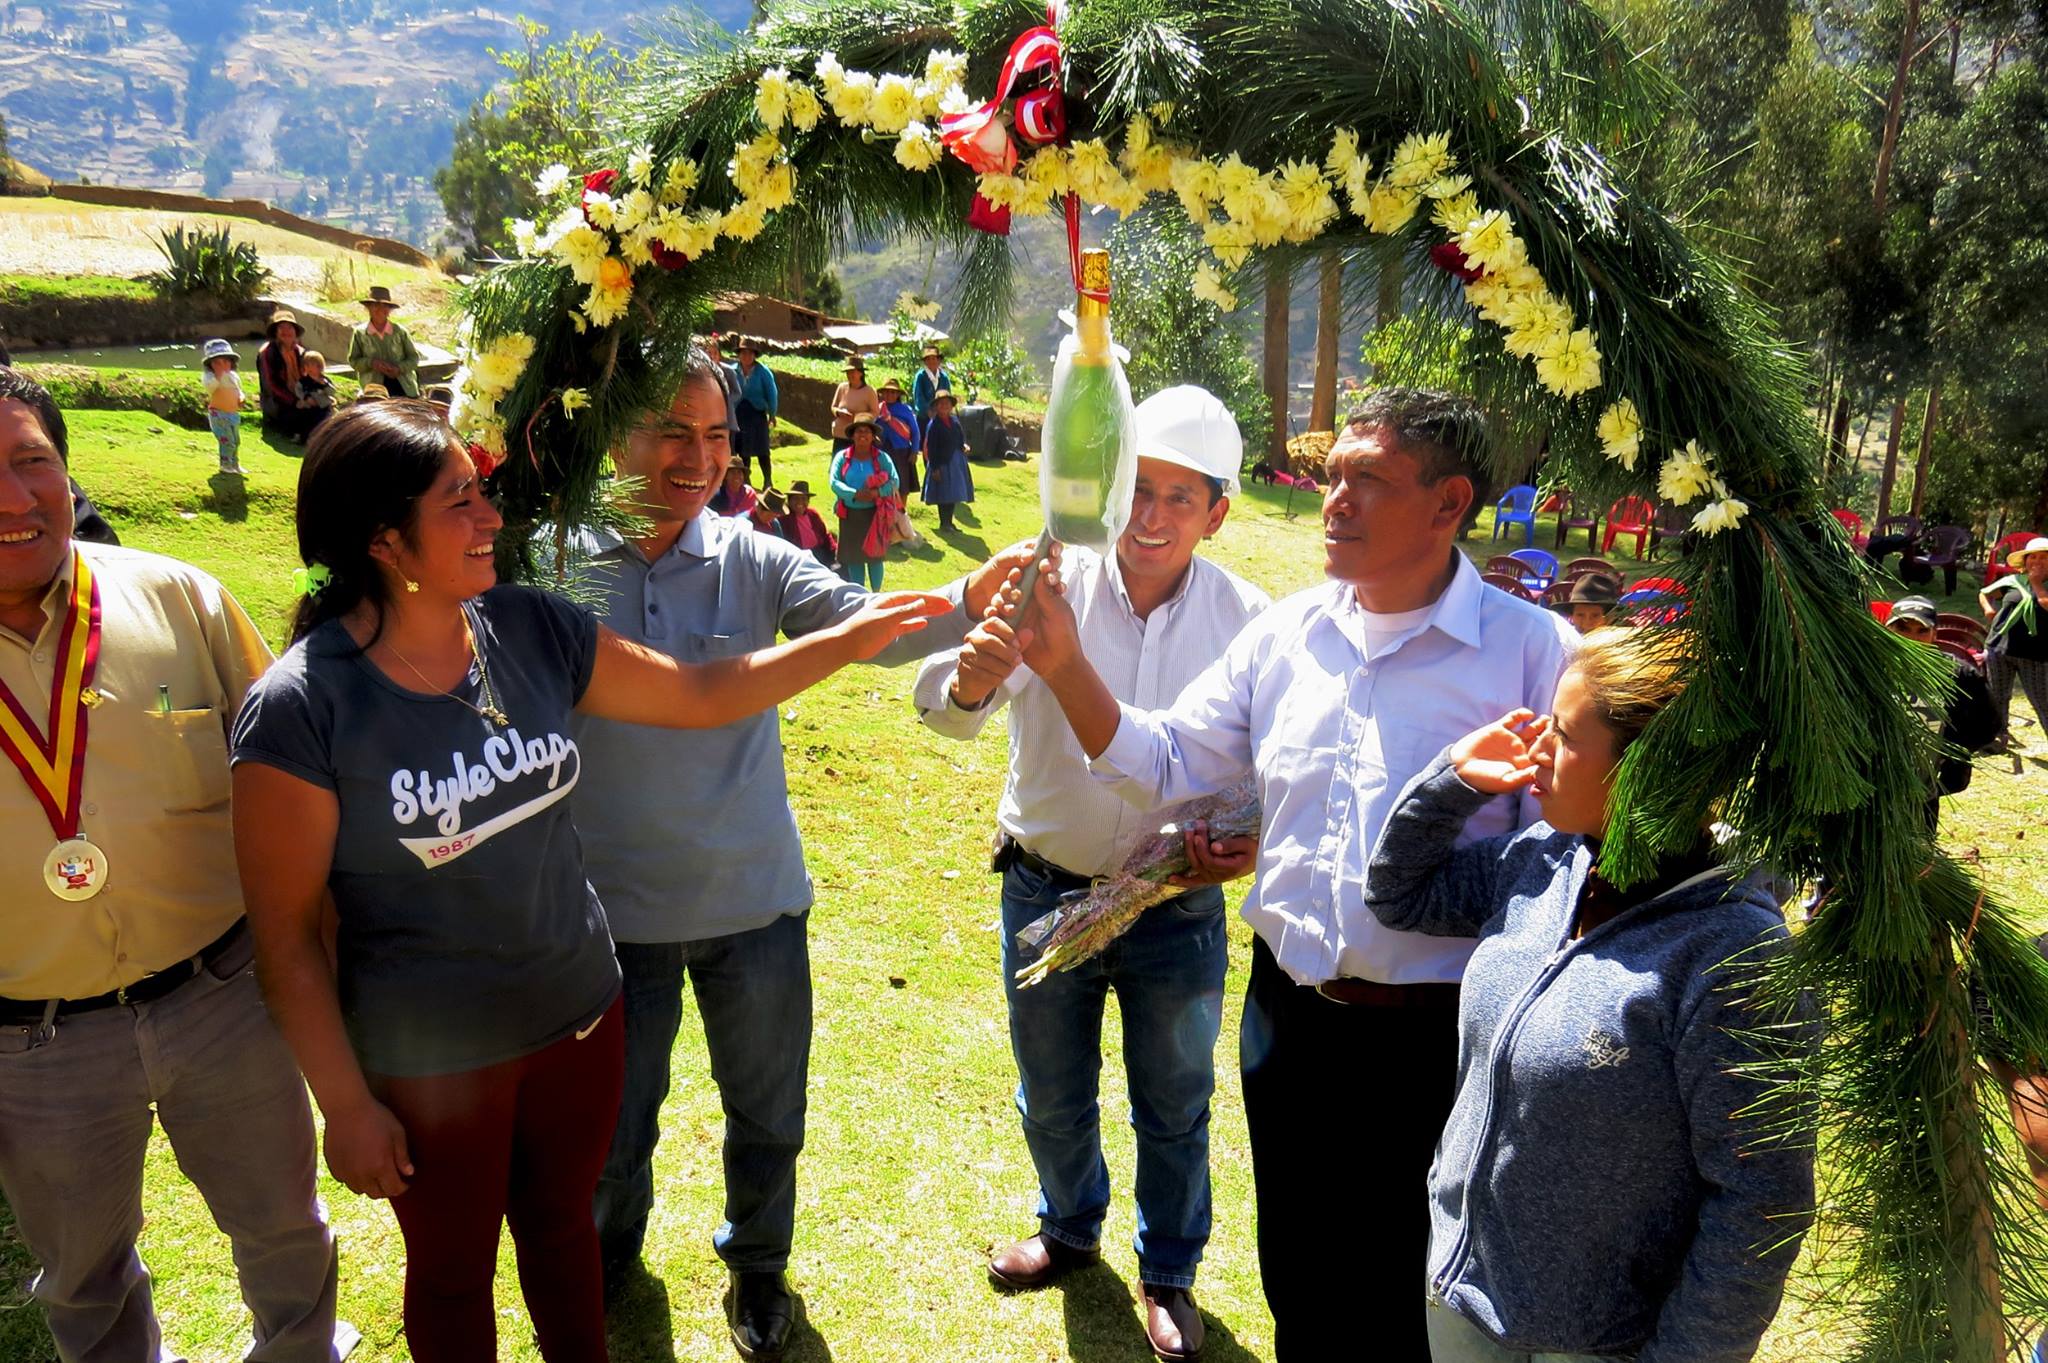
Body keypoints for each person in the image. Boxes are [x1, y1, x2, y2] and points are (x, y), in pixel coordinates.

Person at [229, 399, 949, 1363]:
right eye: (460, 503)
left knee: (565, 1236)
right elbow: (284, 937)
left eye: (482, 493)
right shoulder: (300, 708)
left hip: (579, 1018)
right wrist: (347, 1104)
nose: (490, 519)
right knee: (451, 1272)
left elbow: (695, 693)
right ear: (384, 539)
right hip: (434, 1062)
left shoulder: (527, 627)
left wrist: (846, 640)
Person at [1013, 387, 1576, 1360]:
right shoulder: (1286, 637)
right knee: (1301, 1286)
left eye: (1366, 480)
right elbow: (1166, 760)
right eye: (1329, 477)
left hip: (1433, 1043)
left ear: (1447, 503)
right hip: (1285, 1024)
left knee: (1410, 1301)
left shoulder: (1530, 655)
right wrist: (1064, 664)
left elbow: (1556, 866)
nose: (1333, 502)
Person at [567, 353, 1031, 1362]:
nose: (697, 458)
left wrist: (966, 590)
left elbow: (865, 630)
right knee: (612, 1129)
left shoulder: (754, 556)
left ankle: (759, 1271)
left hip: (752, 902)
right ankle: (605, 1263)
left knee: (767, 1115)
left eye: (717, 435)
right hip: (605, 917)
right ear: (615, 434)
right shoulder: (557, 561)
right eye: (671, 431)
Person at [0, 366, 350, 1363]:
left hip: (223, 997)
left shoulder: (180, 600)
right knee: (81, 1272)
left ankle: (300, 1351)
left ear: (68, 471)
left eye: (34, 463)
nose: (14, 499)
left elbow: (296, 790)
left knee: (283, 1226)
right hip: (33, 1045)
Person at [914, 386, 1270, 1362]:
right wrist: (971, 679)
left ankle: (1168, 1272)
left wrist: (1239, 836)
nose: (1150, 518)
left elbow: (1270, 772)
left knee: (1173, 1102)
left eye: (1178, 498)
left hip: (1174, 908)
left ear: (1218, 513)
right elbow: (943, 708)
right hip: (1046, 887)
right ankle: (1069, 1229)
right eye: (1136, 490)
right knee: (1053, 1090)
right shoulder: (1046, 579)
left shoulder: (1249, 622)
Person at [1363, 627, 1814, 1363]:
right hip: (1461, 1295)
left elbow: (1761, 1202)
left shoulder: (1733, 957)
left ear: (1645, 772)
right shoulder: (1543, 861)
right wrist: (1454, 779)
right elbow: (1399, 892)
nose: (1538, 746)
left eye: (1565, 735)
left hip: (1600, 1343)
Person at [1887, 594, 2000, 830]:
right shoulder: (1870, 667)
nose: (1912, 637)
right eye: (1903, 628)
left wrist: (1952, 753)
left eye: (1921, 630)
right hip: (1873, 784)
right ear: (1888, 628)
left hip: (1923, 790)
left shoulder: (1957, 675)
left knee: (1917, 853)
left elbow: (1989, 723)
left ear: (1934, 635)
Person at [1979, 537, 2048, 750]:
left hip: (2035, 654)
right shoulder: (2013, 581)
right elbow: (1985, 593)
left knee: (2043, 701)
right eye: (2032, 557)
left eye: (2044, 557)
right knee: (1998, 697)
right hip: (1999, 647)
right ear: (2025, 562)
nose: (2037, 561)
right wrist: (1988, 609)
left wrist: (2036, 583)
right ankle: (1998, 738)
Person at [829, 413, 898, 590]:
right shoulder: (842, 458)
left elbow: (894, 481)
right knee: (854, 559)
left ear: (872, 436)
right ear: (852, 435)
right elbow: (834, 482)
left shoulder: (882, 458)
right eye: (859, 431)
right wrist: (854, 494)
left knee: (875, 559)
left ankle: (876, 594)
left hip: (875, 515)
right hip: (850, 515)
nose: (862, 435)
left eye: (867, 431)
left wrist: (878, 492)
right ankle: (859, 594)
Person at [258, 309, 322, 443]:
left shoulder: (301, 352)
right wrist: (295, 401)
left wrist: (315, 396)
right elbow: (271, 386)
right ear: (276, 332)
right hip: (279, 403)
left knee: (323, 409)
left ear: (295, 332)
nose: (286, 331)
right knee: (299, 416)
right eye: (281, 327)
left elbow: (313, 376)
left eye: (290, 327)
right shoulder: (267, 353)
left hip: (301, 397)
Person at [347, 286, 421, 400]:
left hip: (403, 388)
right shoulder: (360, 333)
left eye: (385, 305)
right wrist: (371, 363)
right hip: (374, 391)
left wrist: (399, 368)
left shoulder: (400, 332)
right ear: (369, 308)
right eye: (376, 305)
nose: (380, 309)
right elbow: (353, 361)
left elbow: (414, 358)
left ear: (389, 310)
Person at [920, 385, 974, 532]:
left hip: (955, 463)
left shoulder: (955, 421)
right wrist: (935, 468)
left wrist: (964, 446)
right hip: (941, 463)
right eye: (941, 403)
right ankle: (944, 523)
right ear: (936, 406)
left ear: (951, 406)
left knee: (953, 494)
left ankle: (949, 522)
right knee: (943, 494)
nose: (944, 406)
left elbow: (960, 438)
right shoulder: (934, 425)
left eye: (947, 403)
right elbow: (931, 447)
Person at [733, 341, 779, 488]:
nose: (746, 356)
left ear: (754, 355)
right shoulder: (733, 371)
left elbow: (772, 394)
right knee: (743, 449)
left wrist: (772, 413)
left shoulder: (763, 372)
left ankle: (767, 480)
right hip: (739, 413)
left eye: (750, 353)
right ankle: (746, 480)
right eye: (743, 353)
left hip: (757, 414)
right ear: (739, 355)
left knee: (762, 449)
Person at [200, 337, 246, 474]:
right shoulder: (209, 377)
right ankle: (225, 464)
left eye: (225, 361)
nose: (222, 365)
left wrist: (241, 397)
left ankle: (235, 464)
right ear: (210, 365)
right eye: (217, 363)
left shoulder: (233, 376)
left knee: (236, 440)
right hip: (218, 414)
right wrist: (218, 377)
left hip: (233, 414)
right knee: (227, 441)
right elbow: (210, 388)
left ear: (231, 363)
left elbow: (238, 390)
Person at [876, 375, 921, 499]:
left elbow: (915, 432)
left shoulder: (905, 410)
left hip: (901, 451)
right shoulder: (878, 409)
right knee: (882, 481)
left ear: (898, 394)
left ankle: (901, 513)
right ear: (882, 393)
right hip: (883, 450)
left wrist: (914, 451)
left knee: (903, 484)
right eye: (887, 392)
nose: (890, 395)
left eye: (893, 392)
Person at [778, 480, 836, 567]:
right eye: (796, 499)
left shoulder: (812, 514)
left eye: (804, 499)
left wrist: (834, 548)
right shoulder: (784, 518)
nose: (800, 502)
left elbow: (825, 535)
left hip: (818, 552)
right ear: (789, 501)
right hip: (799, 557)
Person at [829, 357, 880, 454]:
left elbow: (875, 412)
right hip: (840, 434)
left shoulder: (869, 391)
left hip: (859, 436)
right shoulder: (842, 387)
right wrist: (839, 413)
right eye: (848, 372)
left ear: (861, 373)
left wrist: (858, 418)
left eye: (853, 372)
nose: (849, 375)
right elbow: (833, 407)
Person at [1551, 571, 1620, 635]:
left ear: (1610, 617)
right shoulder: (1565, 640)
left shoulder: (1617, 643)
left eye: (1595, 615)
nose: (1587, 622)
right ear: (1571, 616)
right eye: (1580, 615)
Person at [911, 345, 952, 423]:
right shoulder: (920, 377)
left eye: (933, 358)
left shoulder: (944, 377)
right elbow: (919, 400)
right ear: (925, 362)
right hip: (924, 419)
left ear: (939, 360)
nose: (931, 361)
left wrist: (943, 411)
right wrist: (930, 412)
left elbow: (948, 396)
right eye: (928, 359)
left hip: (941, 416)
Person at [298, 350, 337, 432]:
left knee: (325, 421)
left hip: (323, 406)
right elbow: (299, 390)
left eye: (320, 365)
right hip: (309, 406)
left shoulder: (324, 380)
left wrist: (325, 385)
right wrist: (306, 397)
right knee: (304, 418)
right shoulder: (303, 381)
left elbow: (332, 392)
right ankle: (302, 435)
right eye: (307, 365)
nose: (309, 368)